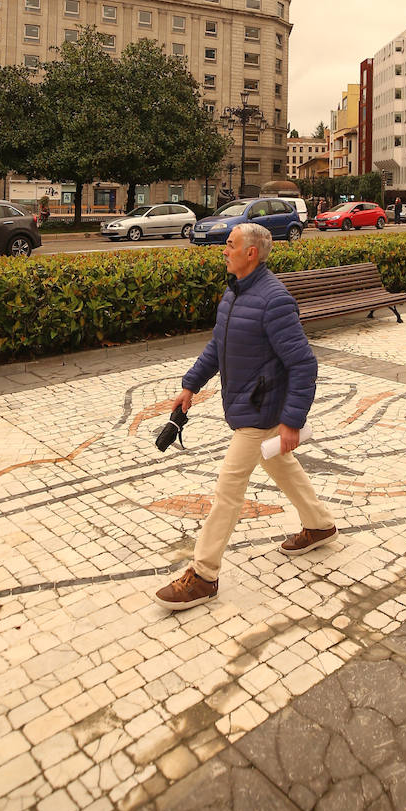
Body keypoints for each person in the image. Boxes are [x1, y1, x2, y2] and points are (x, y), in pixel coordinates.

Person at [155, 223, 336, 611]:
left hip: (261, 410)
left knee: (228, 491)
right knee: (281, 465)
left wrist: (291, 421)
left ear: (251, 253)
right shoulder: (235, 293)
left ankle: (203, 576)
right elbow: (218, 345)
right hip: (252, 404)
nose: (224, 250)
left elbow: (304, 364)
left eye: (231, 245)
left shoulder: (274, 300)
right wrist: (191, 385)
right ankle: (319, 524)